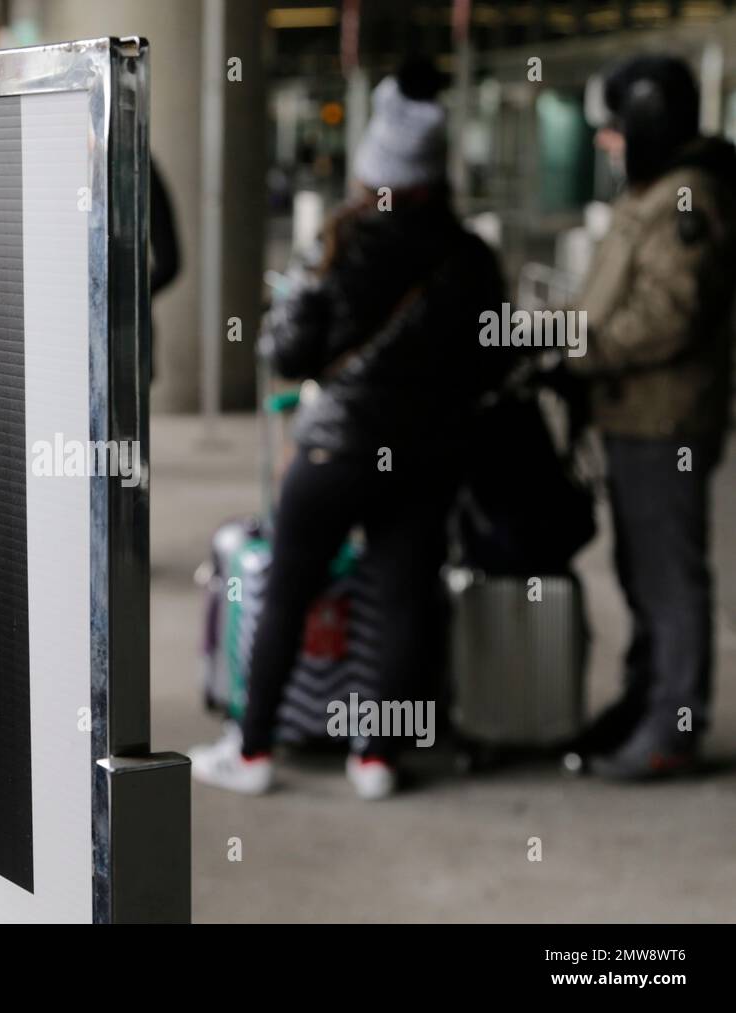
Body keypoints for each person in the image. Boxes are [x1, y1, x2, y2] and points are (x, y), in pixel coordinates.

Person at [190, 62, 515, 799]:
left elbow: (288, 351)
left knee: (292, 588)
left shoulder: (338, 244)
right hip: (429, 453)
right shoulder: (470, 257)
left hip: (336, 446)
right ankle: (376, 757)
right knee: (403, 595)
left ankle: (254, 748)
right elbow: (494, 361)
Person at [569, 55, 736, 779]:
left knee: (669, 576)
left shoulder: (685, 199)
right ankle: (646, 698)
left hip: (666, 422)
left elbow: (669, 315)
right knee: (638, 570)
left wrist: (586, 350)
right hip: (633, 416)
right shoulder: (654, 192)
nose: (608, 143)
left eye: (615, 128)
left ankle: (674, 723)